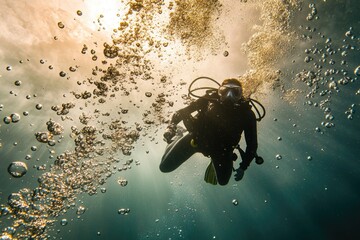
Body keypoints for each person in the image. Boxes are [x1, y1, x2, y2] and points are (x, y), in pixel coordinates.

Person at [159, 78, 259, 185]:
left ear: (240, 95)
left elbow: (252, 145)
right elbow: (181, 112)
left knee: (223, 182)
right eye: (225, 91)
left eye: (235, 92)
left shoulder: (247, 115)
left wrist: (243, 167)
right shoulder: (208, 100)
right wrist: (171, 126)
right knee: (164, 167)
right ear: (219, 91)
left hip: (222, 151)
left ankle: (215, 161)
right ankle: (178, 135)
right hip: (196, 140)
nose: (229, 96)